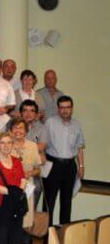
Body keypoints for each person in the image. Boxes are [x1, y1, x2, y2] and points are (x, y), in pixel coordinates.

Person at [43, 96, 85, 225]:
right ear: (58, 109)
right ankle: (47, 234)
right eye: (62, 108)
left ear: (71, 109)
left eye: (67, 107)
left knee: (67, 201)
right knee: (49, 201)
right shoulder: (50, 122)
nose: (65, 110)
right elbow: (43, 144)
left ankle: (65, 233)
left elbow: (79, 147)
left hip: (69, 166)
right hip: (52, 164)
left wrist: (81, 166)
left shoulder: (77, 125)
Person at [9, 117, 42, 244]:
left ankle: (26, 241)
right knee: (11, 216)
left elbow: (38, 169)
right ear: (11, 130)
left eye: (21, 128)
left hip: (27, 186)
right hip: (11, 185)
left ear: (26, 130)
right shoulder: (6, 144)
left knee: (26, 215)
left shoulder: (32, 146)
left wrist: (30, 173)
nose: (18, 131)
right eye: (15, 127)